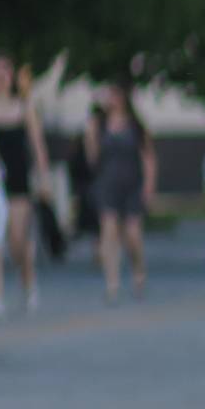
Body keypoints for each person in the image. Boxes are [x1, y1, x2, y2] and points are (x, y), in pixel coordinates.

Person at [0, 59, 41, 313]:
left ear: (12, 75)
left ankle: (29, 283)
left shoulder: (23, 106)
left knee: (17, 239)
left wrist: (43, 176)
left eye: (4, 69)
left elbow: (37, 144)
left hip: (18, 180)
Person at [82, 82, 156, 303]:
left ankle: (138, 272)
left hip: (132, 183)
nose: (111, 99)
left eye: (115, 94)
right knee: (109, 232)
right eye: (108, 94)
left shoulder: (135, 125)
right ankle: (112, 283)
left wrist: (149, 186)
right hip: (107, 183)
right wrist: (90, 136)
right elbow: (92, 158)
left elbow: (148, 157)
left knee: (133, 235)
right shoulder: (100, 125)